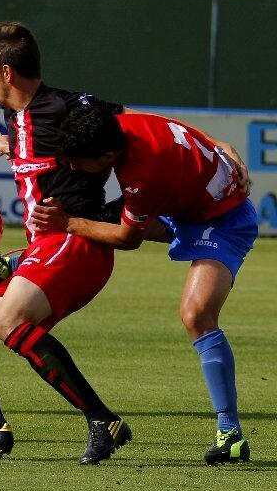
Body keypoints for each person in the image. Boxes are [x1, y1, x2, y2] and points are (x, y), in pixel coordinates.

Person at [0, 21, 134, 464]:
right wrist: (15, 148)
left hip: (76, 242)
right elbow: (40, 152)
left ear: (7, 72)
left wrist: (118, 209)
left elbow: (134, 129)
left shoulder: (62, 106)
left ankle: (102, 419)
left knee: (9, 320)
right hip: (44, 248)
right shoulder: (14, 116)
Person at [31, 107, 255, 465]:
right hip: (183, 204)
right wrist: (219, 142)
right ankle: (22, 264)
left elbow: (126, 237)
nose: (73, 168)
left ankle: (230, 434)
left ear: (107, 156)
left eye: (78, 162)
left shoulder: (143, 176)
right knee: (93, 221)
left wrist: (69, 222)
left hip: (223, 220)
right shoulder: (123, 123)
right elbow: (178, 126)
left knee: (196, 314)